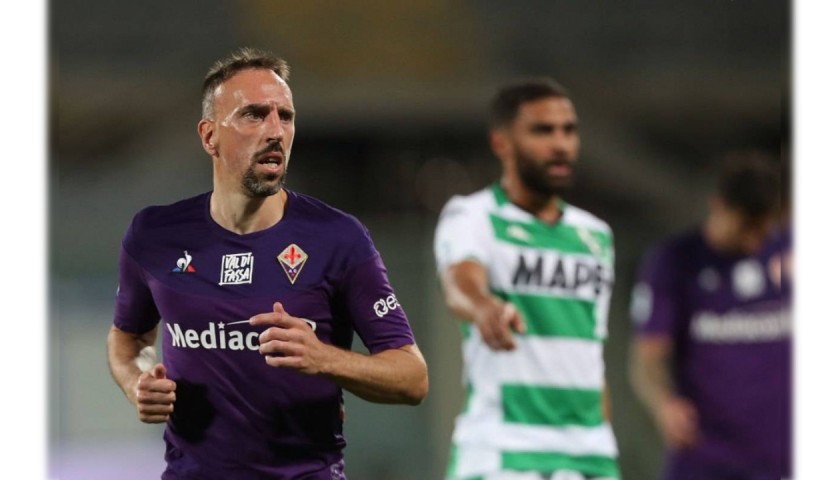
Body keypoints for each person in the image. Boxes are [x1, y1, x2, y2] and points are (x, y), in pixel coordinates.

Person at [106, 47, 429, 479]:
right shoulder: (155, 235)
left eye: (286, 116)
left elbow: (412, 378)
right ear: (208, 136)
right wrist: (138, 382)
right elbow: (128, 339)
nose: (275, 130)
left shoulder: (338, 238)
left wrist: (324, 359)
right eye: (254, 115)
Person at [434, 78, 621, 480]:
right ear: (502, 143)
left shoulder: (595, 235)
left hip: (591, 452)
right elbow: (459, 283)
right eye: (542, 130)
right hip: (505, 446)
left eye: (568, 130)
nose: (560, 144)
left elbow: (591, 352)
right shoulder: (473, 216)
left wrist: (602, 435)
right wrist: (484, 308)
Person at [628, 150, 790, 479]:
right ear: (718, 206)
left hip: (782, 457)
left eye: (763, 230)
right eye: (746, 227)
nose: (754, 241)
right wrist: (663, 403)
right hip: (704, 459)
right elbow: (647, 356)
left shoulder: (789, 252)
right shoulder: (673, 262)